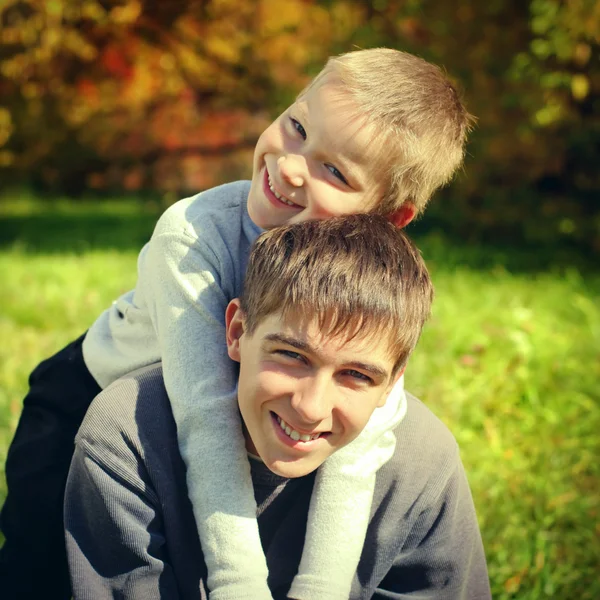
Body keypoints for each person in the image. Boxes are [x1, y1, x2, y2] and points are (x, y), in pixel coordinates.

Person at [0, 49, 473, 600]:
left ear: (388, 217)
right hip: (90, 399)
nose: (292, 165)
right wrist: (237, 586)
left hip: (242, 411)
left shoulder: (364, 284)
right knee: (39, 570)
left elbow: (362, 448)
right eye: (297, 127)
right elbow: (206, 412)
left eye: (335, 172)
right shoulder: (194, 236)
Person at [65, 215, 491, 599]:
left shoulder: (422, 462)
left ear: (392, 384)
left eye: (357, 376)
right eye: (291, 356)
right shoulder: (127, 436)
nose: (310, 407)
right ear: (236, 330)